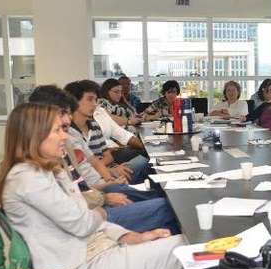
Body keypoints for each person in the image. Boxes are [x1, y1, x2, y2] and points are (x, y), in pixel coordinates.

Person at [0, 103, 215, 269]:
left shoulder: (46, 171)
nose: (64, 137)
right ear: (34, 135)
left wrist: (130, 236)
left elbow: (86, 219)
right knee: (189, 247)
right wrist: (99, 212)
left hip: (95, 254)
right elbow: (82, 223)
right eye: (57, 130)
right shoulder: (29, 180)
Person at [29, 85, 179, 234]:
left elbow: (83, 182)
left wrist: (107, 181)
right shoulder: (35, 170)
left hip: (98, 198)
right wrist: (105, 196)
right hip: (94, 215)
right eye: (65, 113)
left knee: (168, 216)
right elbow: (72, 207)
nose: (69, 118)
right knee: (170, 207)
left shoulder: (66, 142)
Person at [64, 80, 150, 185]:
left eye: (96, 100)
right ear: (74, 101)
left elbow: (108, 156)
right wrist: (110, 172)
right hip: (96, 178)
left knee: (146, 162)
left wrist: (108, 170)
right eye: (90, 99)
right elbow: (84, 169)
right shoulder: (68, 132)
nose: (94, 104)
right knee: (145, 164)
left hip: (108, 171)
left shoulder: (94, 126)